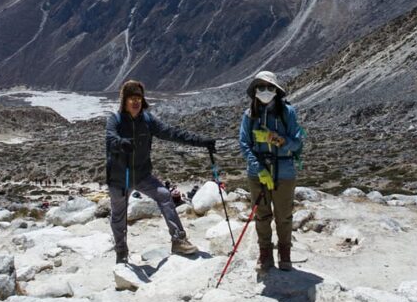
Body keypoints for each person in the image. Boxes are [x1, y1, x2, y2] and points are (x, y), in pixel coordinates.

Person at [106, 79, 216, 264]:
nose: (135, 102)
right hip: (119, 178)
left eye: (138, 98)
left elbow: (172, 133)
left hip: (142, 175)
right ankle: (121, 251)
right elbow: (110, 138)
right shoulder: (115, 120)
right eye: (131, 98)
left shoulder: (148, 121)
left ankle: (178, 239)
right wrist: (120, 143)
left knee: (164, 195)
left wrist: (201, 141)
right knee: (119, 215)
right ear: (124, 100)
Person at [238, 71, 304, 271]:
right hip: (257, 173)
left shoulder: (288, 113)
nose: (265, 91)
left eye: (269, 88)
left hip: (284, 171)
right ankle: (265, 254)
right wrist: (258, 167)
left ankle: (285, 254)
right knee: (262, 215)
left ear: (276, 91)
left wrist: (280, 142)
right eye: (261, 88)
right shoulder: (250, 115)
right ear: (255, 91)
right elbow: (244, 143)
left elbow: (298, 141)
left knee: (283, 216)